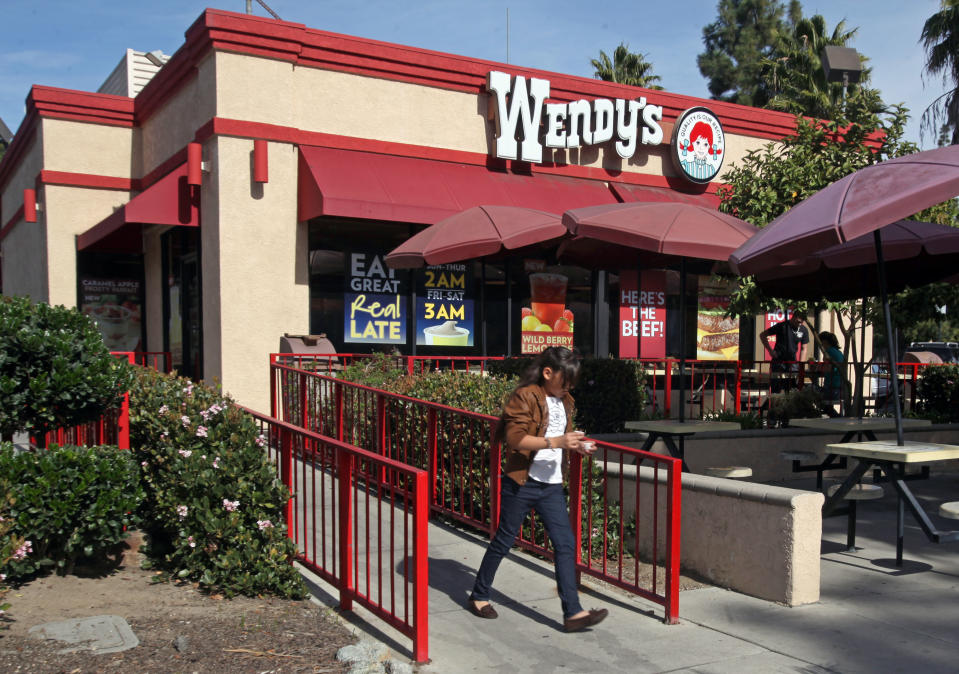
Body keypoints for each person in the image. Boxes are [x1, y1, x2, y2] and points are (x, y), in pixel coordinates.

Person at [467, 346, 608, 632]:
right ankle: (480, 594)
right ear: (547, 373)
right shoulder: (526, 396)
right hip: (523, 482)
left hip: (552, 485)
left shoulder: (565, 400)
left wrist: (577, 446)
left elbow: (559, 438)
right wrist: (558, 442)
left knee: (565, 545)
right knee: (505, 540)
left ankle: (573, 614)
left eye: (572, 381)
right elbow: (516, 440)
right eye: (564, 379)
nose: (569, 386)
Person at [760, 310, 810, 392]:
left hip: (792, 363)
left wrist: (801, 366)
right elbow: (762, 335)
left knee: (792, 389)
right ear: (793, 317)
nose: (800, 324)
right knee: (776, 388)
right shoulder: (782, 326)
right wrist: (770, 351)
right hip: (778, 361)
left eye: (802, 322)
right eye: (798, 322)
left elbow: (804, 348)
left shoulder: (803, 330)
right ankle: (775, 403)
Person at [815, 331, 845, 417]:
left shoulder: (828, 352)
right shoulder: (838, 352)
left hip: (832, 389)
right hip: (840, 388)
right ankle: (834, 416)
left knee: (809, 392)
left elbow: (828, 368)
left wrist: (816, 367)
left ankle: (835, 416)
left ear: (824, 342)